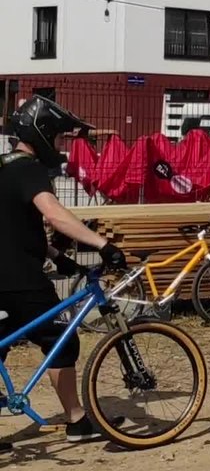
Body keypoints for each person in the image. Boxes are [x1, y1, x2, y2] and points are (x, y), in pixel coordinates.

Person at [0, 96, 126, 447]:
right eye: (57, 137)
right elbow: (53, 213)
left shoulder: (3, 165)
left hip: (5, 274)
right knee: (60, 340)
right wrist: (104, 245)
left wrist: (56, 255)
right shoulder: (28, 169)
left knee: (2, 342)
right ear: (41, 132)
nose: (58, 146)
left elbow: (13, 226)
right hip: (19, 279)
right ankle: (76, 420)